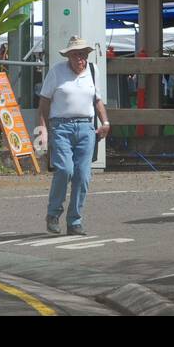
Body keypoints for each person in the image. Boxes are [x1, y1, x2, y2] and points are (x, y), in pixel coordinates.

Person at [38, 36, 109, 235]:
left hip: (86, 127)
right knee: (65, 170)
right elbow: (44, 101)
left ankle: (75, 220)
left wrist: (106, 122)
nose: (81, 59)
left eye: (84, 55)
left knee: (83, 175)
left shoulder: (93, 71)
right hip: (61, 126)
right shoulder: (56, 72)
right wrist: (43, 128)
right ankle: (53, 213)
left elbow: (98, 100)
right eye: (77, 55)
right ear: (68, 56)